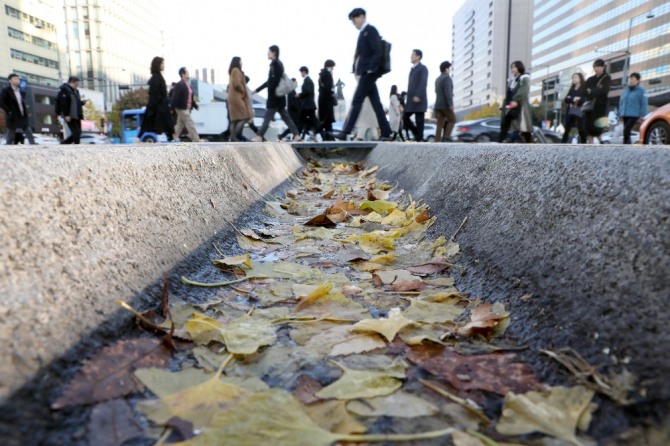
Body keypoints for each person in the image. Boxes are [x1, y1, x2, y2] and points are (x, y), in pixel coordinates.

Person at [333, 8, 392, 141]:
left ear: (361, 17)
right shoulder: (362, 33)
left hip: (368, 73)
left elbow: (377, 51)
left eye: (355, 21)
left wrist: (371, 69)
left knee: (357, 101)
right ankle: (387, 133)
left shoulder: (370, 30)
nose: (355, 24)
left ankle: (345, 131)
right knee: (376, 104)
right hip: (366, 73)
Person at [252, 45, 301, 142]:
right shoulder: (278, 63)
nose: (267, 53)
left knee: (267, 118)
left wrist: (271, 89)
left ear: (274, 52)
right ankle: (296, 135)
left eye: (269, 52)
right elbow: (269, 81)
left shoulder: (275, 64)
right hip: (279, 97)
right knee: (286, 118)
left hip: (274, 97)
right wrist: (257, 90)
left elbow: (275, 80)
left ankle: (259, 136)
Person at [138, 56, 174, 142]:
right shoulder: (156, 78)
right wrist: (154, 106)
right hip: (159, 107)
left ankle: (171, 139)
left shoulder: (158, 77)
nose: (163, 65)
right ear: (157, 65)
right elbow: (154, 95)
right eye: (162, 63)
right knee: (165, 125)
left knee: (166, 126)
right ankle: (171, 141)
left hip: (161, 106)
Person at [498, 60, 532, 143]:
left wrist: (516, 100)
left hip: (520, 106)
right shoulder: (512, 80)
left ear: (519, 67)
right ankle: (501, 142)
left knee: (523, 127)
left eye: (514, 67)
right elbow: (508, 94)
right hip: (509, 106)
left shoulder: (524, 78)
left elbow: (523, 90)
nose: (512, 69)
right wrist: (503, 104)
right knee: (505, 124)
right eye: (511, 67)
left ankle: (528, 145)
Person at [0, 73, 35, 145]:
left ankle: (33, 143)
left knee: (27, 128)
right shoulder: (6, 90)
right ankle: (8, 145)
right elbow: (1, 102)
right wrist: (8, 111)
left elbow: (21, 103)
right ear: (10, 81)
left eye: (18, 79)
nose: (17, 80)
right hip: (13, 114)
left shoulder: (20, 90)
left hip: (22, 114)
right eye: (15, 79)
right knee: (11, 130)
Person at [225, 57, 254, 142]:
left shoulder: (232, 71)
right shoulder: (236, 70)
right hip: (237, 97)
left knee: (234, 119)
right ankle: (234, 136)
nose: (242, 63)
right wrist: (243, 90)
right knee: (244, 117)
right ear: (237, 62)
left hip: (232, 97)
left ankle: (232, 137)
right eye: (241, 62)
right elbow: (237, 84)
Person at [583, 59, 611, 144]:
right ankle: (591, 146)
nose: (596, 68)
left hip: (600, 107)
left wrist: (591, 91)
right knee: (588, 127)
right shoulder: (590, 79)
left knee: (597, 127)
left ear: (603, 67)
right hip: (589, 107)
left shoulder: (606, 78)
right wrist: (594, 91)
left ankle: (601, 143)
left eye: (598, 66)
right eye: (595, 66)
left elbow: (603, 91)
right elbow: (584, 91)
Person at [403, 49, 428, 141]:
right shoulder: (412, 69)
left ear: (418, 57)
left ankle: (419, 139)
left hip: (419, 99)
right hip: (411, 100)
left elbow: (423, 82)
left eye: (413, 55)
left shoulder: (423, 68)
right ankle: (417, 134)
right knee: (405, 117)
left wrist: (418, 95)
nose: (411, 56)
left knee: (419, 121)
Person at [170, 67, 200, 142]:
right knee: (190, 123)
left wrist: (196, 106)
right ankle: (196, 139)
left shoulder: (188, 85)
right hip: (181, 108)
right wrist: (171, 108)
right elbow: (174, 97)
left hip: (187, 108)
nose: (188, 73)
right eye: (186, 72)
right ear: (182, 74)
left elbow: (190, 99)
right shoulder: (180, 84)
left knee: (180, 125)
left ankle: (173, 137)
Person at [618, 72, 647, 145]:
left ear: (637, 80)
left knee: (626, 129)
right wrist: (620, 112)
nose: (631, 81)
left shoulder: (641, 91)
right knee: (626, 130)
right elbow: (621, 102)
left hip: (635, 114)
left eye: (633, 79)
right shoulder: (626, 90)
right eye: (630, 79)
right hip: (625, 113)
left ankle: (625, 144)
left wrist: (643, 115)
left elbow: (643, 103)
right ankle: (628, 144)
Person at [55, 76, 84, 144]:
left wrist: (82, 103)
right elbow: (64, 104)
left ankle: (64, 143)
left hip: (77, 115)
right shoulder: (64, 90)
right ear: (71, 83)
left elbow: (76, 103)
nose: (77, 86)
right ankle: (76, 146)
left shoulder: (76, 91)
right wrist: (66, 115)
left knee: (78, 133)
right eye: (76, 84)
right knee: (76, 133)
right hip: (69, 115)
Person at [561, 73, 587, 144]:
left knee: (580, 127)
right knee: (567, 127)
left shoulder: (584, 88)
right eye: (573, 78)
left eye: (575, 77)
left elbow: (584, 99)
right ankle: (563, 143)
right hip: (571, 110)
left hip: (580, 110)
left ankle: (584, 143)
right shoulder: (572, 89)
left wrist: (575, 99)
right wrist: (574, 98)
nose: (573, 79)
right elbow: (566, 99)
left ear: (580, 79)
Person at [434, 61, 455, 142]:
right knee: (453, 119)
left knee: (439, 123)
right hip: (445, 105)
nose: (450, 70)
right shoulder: (447, 78)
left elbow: (436, 91)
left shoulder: (437, 79)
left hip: (437, 105)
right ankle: (446, 137)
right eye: (449, 68)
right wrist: (451, 104)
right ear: (446, 68)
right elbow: (448, 92)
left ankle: (437, 141)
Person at [316, 59, 337, 139]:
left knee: (327, 121)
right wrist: (332, 97)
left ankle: (329, 138)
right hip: (327, 101)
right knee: (326, 120)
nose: (333, 69)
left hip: (322, 100)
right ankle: (316, 131)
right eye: (333, 67)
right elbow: (328, 88)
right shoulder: (327, 74)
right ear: (330, 66)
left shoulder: (322, 74)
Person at [297, 66, 318, 139]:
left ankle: (297, 136)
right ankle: (299, 136)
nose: (301, 74)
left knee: (301, 121)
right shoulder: (308, 80)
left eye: (301, 72)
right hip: (309, 105)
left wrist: (300, 95)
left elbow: (307, 91)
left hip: (307, 105)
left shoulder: (307, 81)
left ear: (304, 72)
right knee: (312, 122)